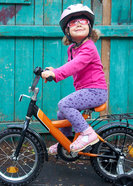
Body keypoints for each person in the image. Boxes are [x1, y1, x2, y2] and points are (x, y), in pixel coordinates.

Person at [41, 4, 108, 155]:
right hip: (86, 91)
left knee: (64, 104)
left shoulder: (89, 47)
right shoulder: (72, 49)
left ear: (90, 27)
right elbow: (71, 65)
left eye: (83, 21)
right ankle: (66, 142)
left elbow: (76, 65)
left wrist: (57, 74)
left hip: (96, 91)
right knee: (61, 113)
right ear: (67, 31)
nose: (78, 23)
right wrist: (54, 70)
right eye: (73, 22)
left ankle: (87, 133)